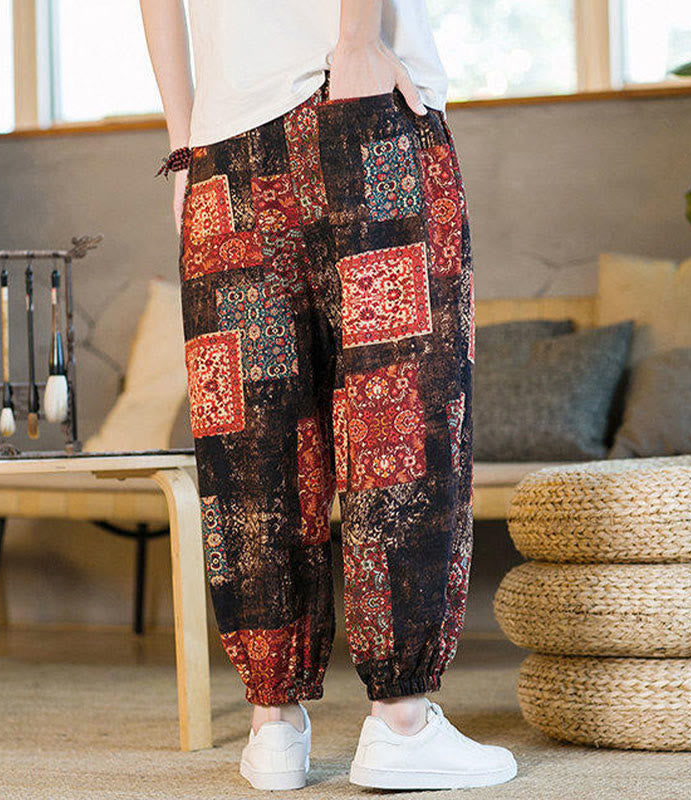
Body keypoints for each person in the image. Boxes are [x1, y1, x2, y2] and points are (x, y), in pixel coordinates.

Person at [139, 0, 517, 791]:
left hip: (222, 149)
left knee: (253, 437)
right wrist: (359, 38)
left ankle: (273, 726)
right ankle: (402, 723)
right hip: (357, 109)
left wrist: (184, 138)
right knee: (397, 413)